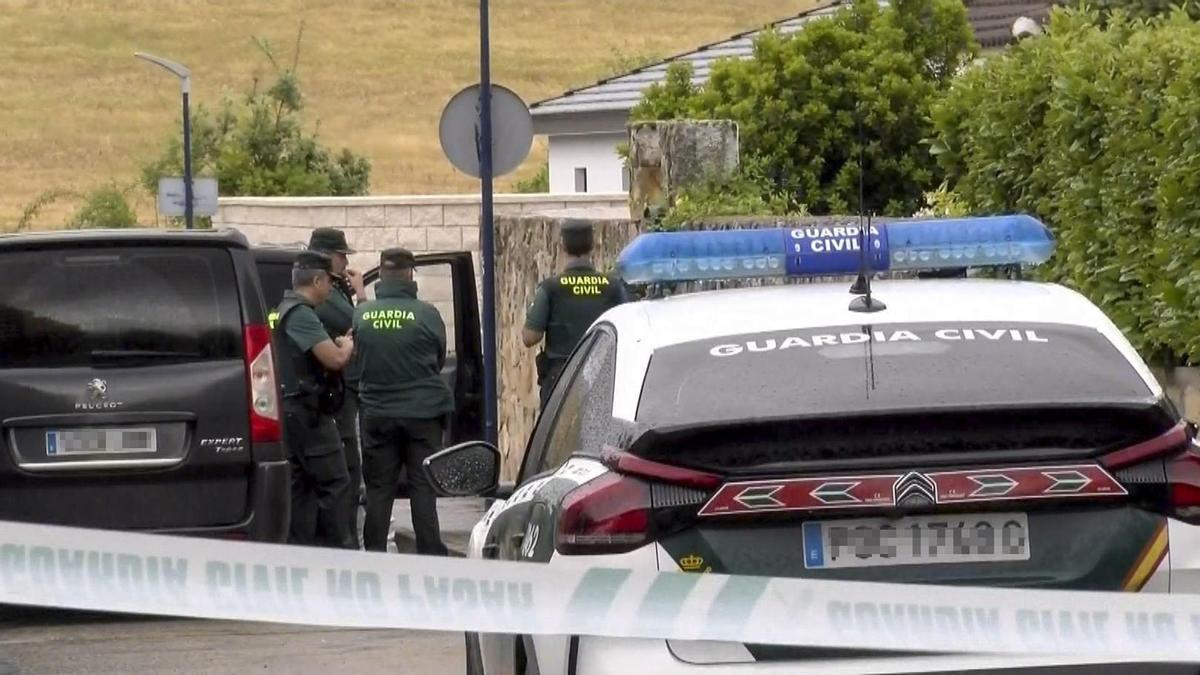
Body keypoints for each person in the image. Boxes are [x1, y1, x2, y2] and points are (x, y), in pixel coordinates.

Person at [354, 248, 452, 555]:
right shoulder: (427, 314)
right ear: (411, 275)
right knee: (423, 486)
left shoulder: (362, 314)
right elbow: (438, 359)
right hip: (423, 413)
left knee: (379, 489)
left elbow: (358, 358)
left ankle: (374, 553)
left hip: (377, 414)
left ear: (381, 275)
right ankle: (429, 553)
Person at [273, 251, 356, 548]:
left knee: (302, 488)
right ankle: (336, 554)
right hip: (308, 414)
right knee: (335, 483)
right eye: (330, 283)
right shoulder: (301, 313)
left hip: (293, 410)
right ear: (318, 280)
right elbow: (334, 359)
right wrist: (346, 346)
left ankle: (301, 553)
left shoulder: (285, 309)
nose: (331, 289)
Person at [523, 219, 628, 407]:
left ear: (563, 246)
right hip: (603, 376)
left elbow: (530, 337)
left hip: (561, 379)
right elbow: (631, 328)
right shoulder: (613, 286)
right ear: (593, 245)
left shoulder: (551, 288)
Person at [307, 227, 366, 549]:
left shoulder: (332, 287)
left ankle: (345, 540)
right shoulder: (326, 294)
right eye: (342, 255)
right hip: (336, 394)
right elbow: (360, 325)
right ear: (327, 256)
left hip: (344, 390)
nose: (345, 262)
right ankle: (344, 544)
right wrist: (362, 295)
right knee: (346, 472)